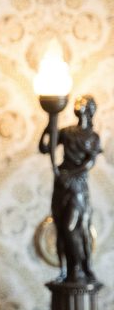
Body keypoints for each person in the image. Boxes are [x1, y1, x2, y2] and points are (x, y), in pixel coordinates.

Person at [39, 93, 101, 282]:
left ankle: (80, 267)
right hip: (61, 184)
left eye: (83, 103)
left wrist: (70, 175)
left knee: (72, 227)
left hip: (77, 186)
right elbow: (45, 148)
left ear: (90, 109)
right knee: (60, 227)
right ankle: (64, 271)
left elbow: (89, 163)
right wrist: (49, 126)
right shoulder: (67, 132)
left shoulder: (92, 137)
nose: (78, 104)